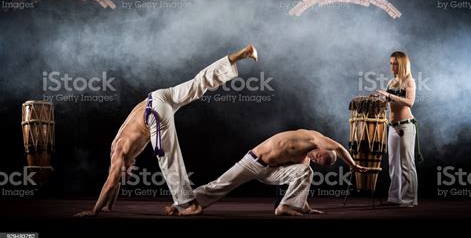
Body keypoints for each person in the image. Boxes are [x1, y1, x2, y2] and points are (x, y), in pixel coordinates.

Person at [75, 44, 258, 217]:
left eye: (126, 172)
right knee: (197, 84)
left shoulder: (118, 155)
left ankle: (190, 204)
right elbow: (115, 183)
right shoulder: (118, 148)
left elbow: (111, 182)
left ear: (117, 167)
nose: (131, 171)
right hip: (158, 96)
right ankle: (242, 54)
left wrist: (95, 210)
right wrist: (108, 206)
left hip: (154, 113)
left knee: (168, 159)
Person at [166, 129, 368, 216]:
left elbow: (300, 180)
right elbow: (340, 147)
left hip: (273, 172)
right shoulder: (314, 138)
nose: (314, 158)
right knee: (219, 184)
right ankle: (183, 205)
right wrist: (353, 165)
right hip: (253, 162)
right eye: (317, 156)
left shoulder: (307, 158)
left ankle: (287, 207)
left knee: (305, 172)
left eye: (318, 162)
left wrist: (304, 206)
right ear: (324, 147)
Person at [376, 51, 420, 208]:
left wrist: (389, 96)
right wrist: (380, 98)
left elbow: (410, 102)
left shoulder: (409, 81)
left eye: (395, 63)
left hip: (405, 125)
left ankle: (409, 199)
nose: (392, 66)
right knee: (393, 164)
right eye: (390, 63)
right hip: (392, 126)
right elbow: (389, 102)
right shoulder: (392, 82)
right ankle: (395, 197)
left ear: (402, 65)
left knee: (407, 163)